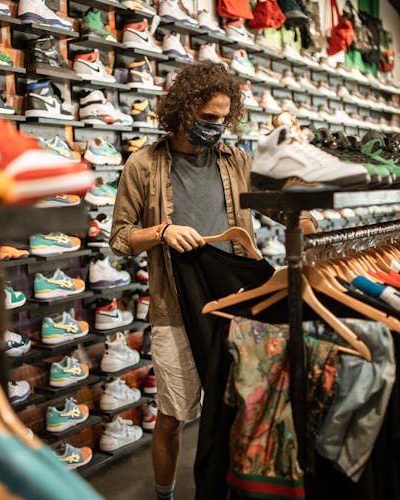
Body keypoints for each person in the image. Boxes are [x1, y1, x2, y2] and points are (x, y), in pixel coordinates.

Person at [109, 61, 312, 500]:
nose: (216, 127)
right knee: (173, 415)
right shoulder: (144, 165)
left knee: (240, 409)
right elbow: (121, 239)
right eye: (207, 119)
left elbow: (275, 205)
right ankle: (164, 496)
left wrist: (303, 210)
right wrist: (162, 231)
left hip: (237, 301)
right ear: (183, 111)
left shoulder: (236, 160)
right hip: (175, 306)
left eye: (222, 118)